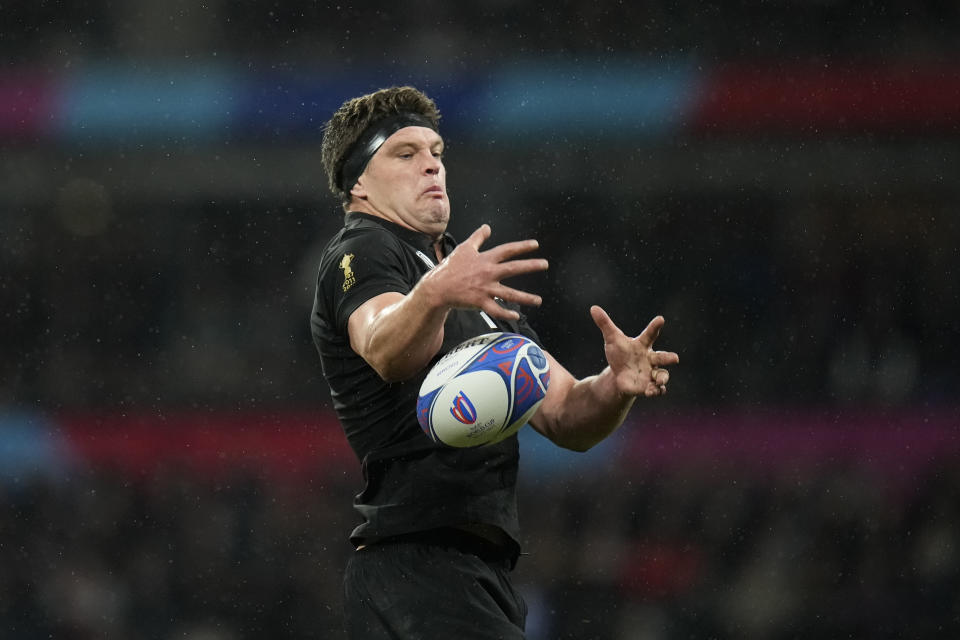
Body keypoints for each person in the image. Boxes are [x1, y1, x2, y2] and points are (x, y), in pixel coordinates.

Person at [310, 86, 679, 639]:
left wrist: (615, 387)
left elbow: (568, 418)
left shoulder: (473, 285)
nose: (431, 163)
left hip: (479, 571)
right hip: (415, 565)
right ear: (359, 181)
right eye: (405, 153)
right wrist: (436, 293)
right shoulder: (362, 252)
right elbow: (384, 346)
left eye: (436, 150)